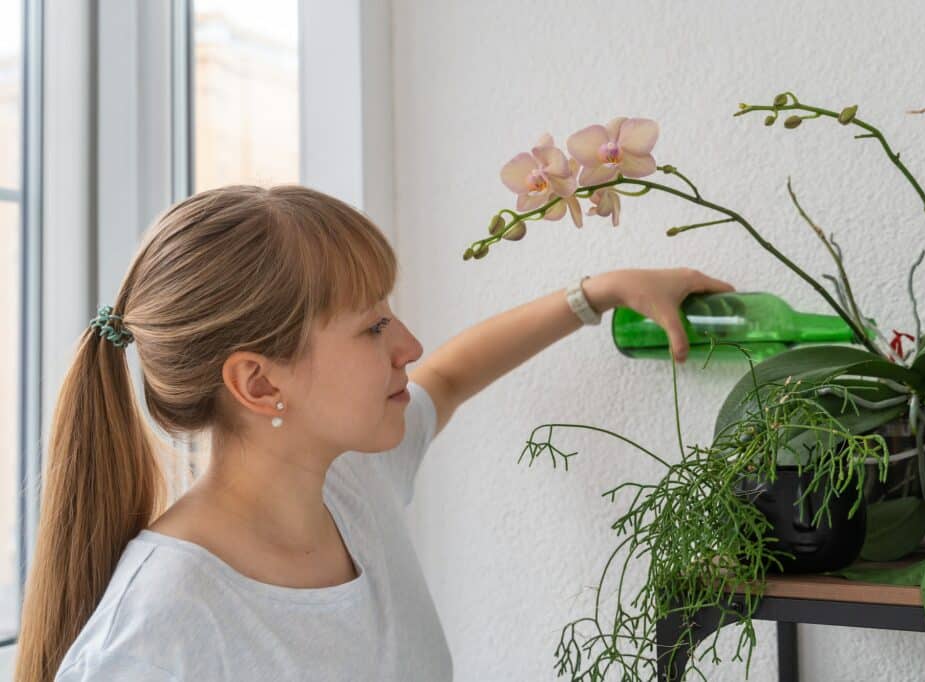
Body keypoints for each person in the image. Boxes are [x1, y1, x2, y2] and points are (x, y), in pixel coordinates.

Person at [13, 184, 733, 681]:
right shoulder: (162, 625)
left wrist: (596, 294)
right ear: (260, 383)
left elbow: (448, 377)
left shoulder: (351, 485)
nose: (409, 344)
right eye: (372, 326)